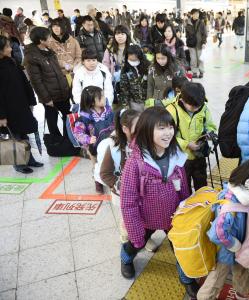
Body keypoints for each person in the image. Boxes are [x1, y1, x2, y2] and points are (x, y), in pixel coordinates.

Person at [119, 107, 196, 296]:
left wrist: (185, 213)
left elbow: (183, 187)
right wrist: (135, 232)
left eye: (170, 127)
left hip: (173, 216)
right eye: (161, 128)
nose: (168, 132)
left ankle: (186, 278)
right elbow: (128, 201)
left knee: (180, 248)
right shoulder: (135, 163)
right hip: (146, 218)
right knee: (135, 243)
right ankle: (126, 257)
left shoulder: (175, 154)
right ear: (147, 129)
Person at [197, 157, 249, 300]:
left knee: (241, 270)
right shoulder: (230, 205)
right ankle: (204, 297)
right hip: (227, 251)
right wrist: (235, 245)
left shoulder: (242, 196)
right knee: (216, 278)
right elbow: (217, 233)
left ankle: (244, 292)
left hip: (240, 246)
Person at [0, 36, 44, 174]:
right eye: (7, 46)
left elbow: (24, 82)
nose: (11, 48)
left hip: (21, 105)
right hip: (8, 110)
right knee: (15, 136)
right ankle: (19, 163)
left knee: (24, 134)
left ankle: (29, 159)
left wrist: (31, 100)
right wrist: (1, 116)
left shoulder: (11, 61)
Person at [99, 109, 140, 242]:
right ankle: (127, 242)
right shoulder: (114, 147)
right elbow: (105, 173)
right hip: (123, 194)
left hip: (142, 191)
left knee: (141, 217)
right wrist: (124, 186)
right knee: (127, 221)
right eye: (137, 127)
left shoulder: (142, 142)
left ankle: (143, 237)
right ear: (125, 129)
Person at [166, 82, 216, 192]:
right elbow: (167, 137)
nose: (196, 108)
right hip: (181, 159)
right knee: (184, 188)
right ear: (183, 100)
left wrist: (210, 133)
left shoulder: (203, 107)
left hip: (199, 155)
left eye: (198, 106)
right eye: (193, 107)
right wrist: (187, 144)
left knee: (202, 185)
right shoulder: (171, 110)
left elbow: (210, 125)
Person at [24, 27, 70, 137]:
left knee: (67, 117)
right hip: (50, 96)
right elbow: (36, 81)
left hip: (62, 92)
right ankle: (56, 141)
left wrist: (67, 67)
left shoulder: (48, 51)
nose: (51, 39)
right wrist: (46, 99)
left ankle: (68, 139)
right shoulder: (31, 57)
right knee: (52, 119)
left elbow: (57, 67)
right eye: (49, 37)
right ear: (41, 40)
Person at [73, 86, 113, 193]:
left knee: (110, 162)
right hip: (94, 146)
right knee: (97, 165)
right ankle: (98, 181)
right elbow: (78, 132)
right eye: (101, 96)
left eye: (104, 95)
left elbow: (115, 123)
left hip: (110, 142)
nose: (105, 98)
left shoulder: (108, 110)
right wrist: (88, 139)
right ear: (91, 102)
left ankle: (111, 179)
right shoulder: (85, 116)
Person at [119, 45, 150, 112]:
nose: (133, 62)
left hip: (148, 100)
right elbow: (124, 88)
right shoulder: (125, 70)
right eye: (131, 60)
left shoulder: (148, 66)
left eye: (135, 60)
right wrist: (125, 103)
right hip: (134, 102)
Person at [185, 9, 207, 79]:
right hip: (191, 44)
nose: (196, 15)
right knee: (193, 58)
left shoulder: (201, 23)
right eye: (195, 13)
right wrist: (188, 39)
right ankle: (194, 72)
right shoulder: (188, 23)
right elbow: (186, 34)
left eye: (197, 13)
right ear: (192, 14)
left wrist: (203, 42)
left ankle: (201, 71)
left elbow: (205, 34)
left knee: (200, 58)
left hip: (199, 44)